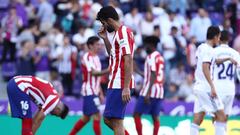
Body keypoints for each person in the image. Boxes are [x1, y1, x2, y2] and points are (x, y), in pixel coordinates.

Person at [97, 6, 135, 135]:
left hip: (120, 82)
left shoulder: (123, 32)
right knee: (108, 119)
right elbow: (113, 55)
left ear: (109, 20)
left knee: (116, 121)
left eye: (103, 23)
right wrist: (105, 38)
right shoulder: (118, 34)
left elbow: (128, 59)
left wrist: (126, 87)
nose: (104, 26)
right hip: (116, 81)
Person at [190, 26, 226, 135]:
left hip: (198, 86)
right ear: (215, 37)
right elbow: (205, 66)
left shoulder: (201, 47)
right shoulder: (209, 50)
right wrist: (212, 86)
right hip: (206, 88)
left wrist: (228, 59)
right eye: (219, 37)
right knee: (221, 116)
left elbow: (210, 61)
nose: (219, 40)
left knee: (198, 118)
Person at [69, 36, 108, 135]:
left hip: (95, 91)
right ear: (90, 46)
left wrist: (101, 93)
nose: (99, 47)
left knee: (86, 118)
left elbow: (97, 78)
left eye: (100, 44)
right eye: (97, 45)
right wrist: (108, 70)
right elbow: (94, 73)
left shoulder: (97, 58)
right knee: (97, 115)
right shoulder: (87, 57)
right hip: (89, 90)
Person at [133, 36, 164, 135]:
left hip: (149, 91)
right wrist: (137, 70)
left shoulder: (151, 57)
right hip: (159, 91)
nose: (145, 48)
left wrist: (147, 93)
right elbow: (151, 75)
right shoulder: (159, 56)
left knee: (136, 115)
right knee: (155, 117)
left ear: (151, 45)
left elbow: (153, 75)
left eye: (146, 46)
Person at [211, 30, 240, 132]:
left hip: (217, 89)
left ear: (218, 38)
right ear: (229, 39)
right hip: (230, 89)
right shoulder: (235, 53)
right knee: (225, 117)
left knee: (215, 117)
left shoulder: (213, 52)